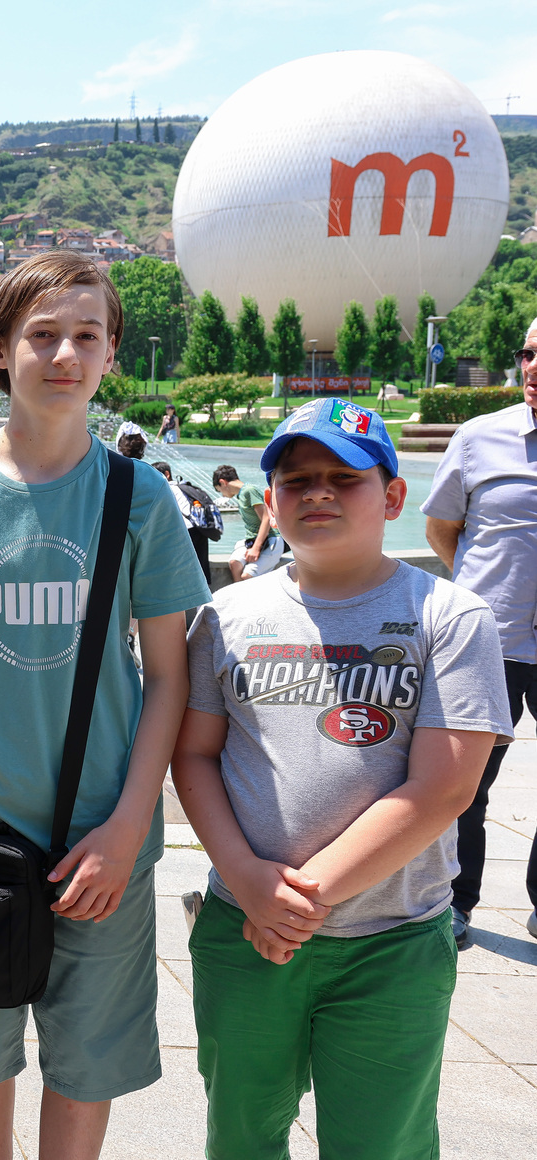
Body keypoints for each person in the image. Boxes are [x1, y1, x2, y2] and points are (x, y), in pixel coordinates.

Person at [0, 251, 211, 1160]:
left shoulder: (139, 497)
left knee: (86, 1060)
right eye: (43, 334)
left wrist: (130, 825)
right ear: (0, 349)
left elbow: (169, 676)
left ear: (111, 355)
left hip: (101, 831)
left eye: (87, 336)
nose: (66, 354)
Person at [174, 399, 509, 1160]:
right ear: (270, 501)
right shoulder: (225, 615)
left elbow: (444, 788)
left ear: (393, 496)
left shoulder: (450, 617)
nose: (317, 492)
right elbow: (193, 756)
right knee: (240, 1135)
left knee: (380, 1143)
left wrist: (301, 899)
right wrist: (248, 880)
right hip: (243, 928)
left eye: (345, 477)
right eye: (296, 480)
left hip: (393, 943)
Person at [423, 320, 537, 946]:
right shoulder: (478, 439)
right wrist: (482, 597)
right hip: (491, 642)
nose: (533, 367)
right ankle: (455, 902)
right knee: (464, 785)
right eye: (528, 353)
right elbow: (443, 529)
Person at [214, 464, 283, 582]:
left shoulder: (249, 490)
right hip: (254, 541)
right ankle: (239, 593)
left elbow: (266, 518)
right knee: (234, 563)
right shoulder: (241, 495)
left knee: (247, 576)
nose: (222, 494)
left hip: (272, 540)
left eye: (218, 490)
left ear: (222, 482)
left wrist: (256, 548)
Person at [154, 460, 212, 580]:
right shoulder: (183, 486)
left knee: (181, 571)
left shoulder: (168, 488)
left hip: (185, 530)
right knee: (200, 569)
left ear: (167, 474)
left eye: (155, 475)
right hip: (199, 528)